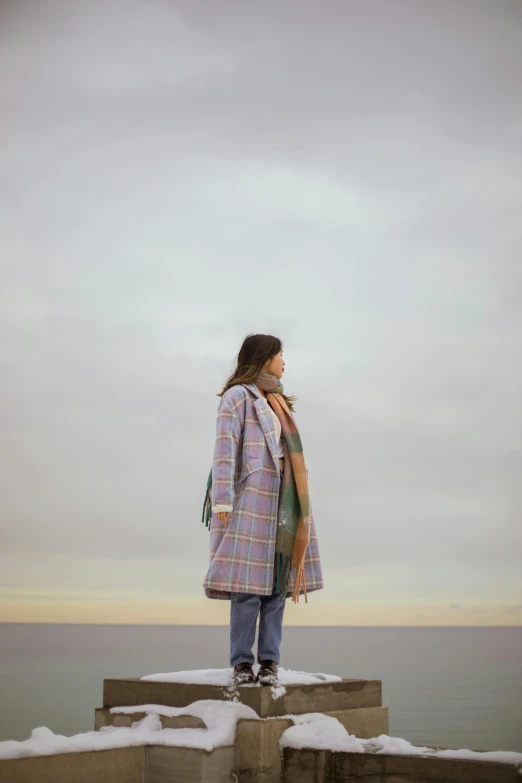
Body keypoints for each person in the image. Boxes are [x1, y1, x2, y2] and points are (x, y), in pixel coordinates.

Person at [202, 333, 323, 686]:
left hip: (283, 504)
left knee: (275, 586)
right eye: (280, 354)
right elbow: (225, 449)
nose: (285, 360)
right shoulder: (238, 397)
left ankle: (270, 663)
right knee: (246, 587)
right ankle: (242, 664)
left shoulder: (277, 401)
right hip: (250, 503)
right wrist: (222, 499)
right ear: (263, 357)